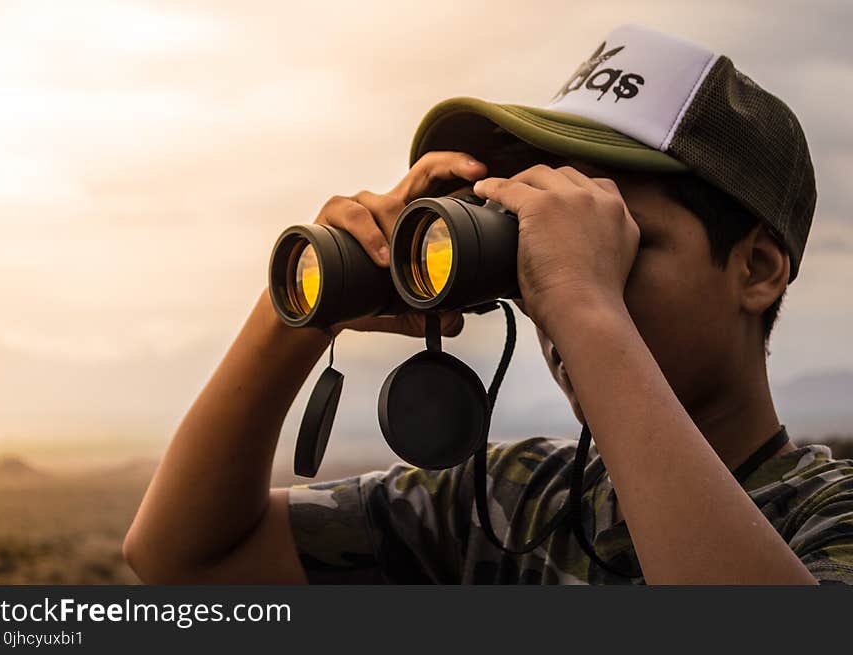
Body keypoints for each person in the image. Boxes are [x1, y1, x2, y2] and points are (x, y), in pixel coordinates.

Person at [123, 24, 853, 584]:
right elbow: (183, 557)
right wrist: (310, 301)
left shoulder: (827, 519)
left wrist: (583, 301)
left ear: (757, 267)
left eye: (613, 234)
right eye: (537, 233)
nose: (551, 277)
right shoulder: (510, 505)